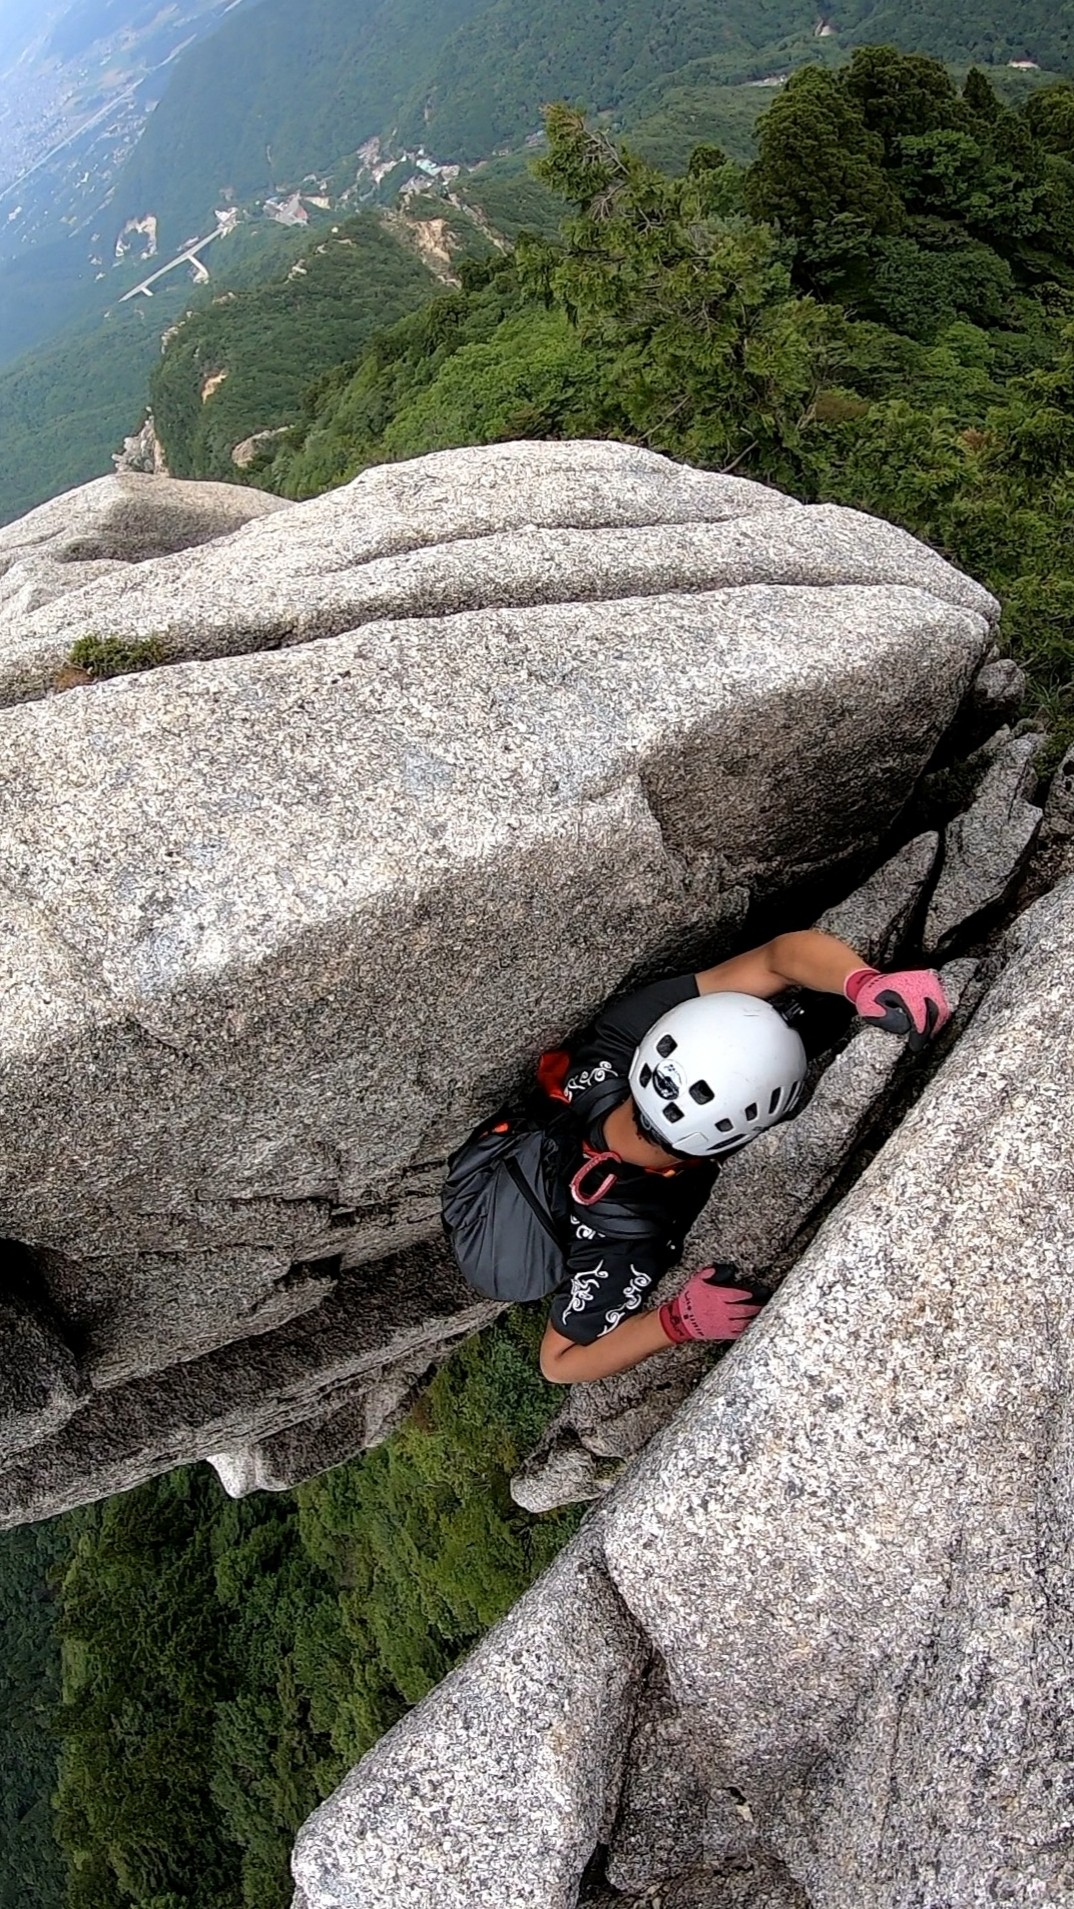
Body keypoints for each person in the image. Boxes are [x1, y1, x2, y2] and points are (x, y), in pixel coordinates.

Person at [536, 931, 951, 1384]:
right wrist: (673, 1322)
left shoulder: (621, 1037)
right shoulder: (625, 1237)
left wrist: (863, 983)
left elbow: (777, 958)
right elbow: (557, 1366)